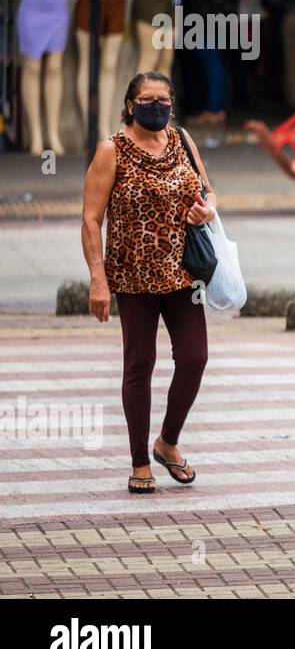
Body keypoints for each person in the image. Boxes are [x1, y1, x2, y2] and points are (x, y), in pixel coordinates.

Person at [81, 71, 215, 495]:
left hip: (182, 273)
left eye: (162, 99)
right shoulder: (112, 150)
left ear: (172, 105)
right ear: (129, 105)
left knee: (194, 359)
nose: (155, 106)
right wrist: (98, 281)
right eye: (146, 99)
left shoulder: (182, 141)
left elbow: (209, 193)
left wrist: (206, 211)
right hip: (133, 276)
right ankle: (140, 461)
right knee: (139, 366)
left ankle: (167, 441)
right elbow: (91, 218)